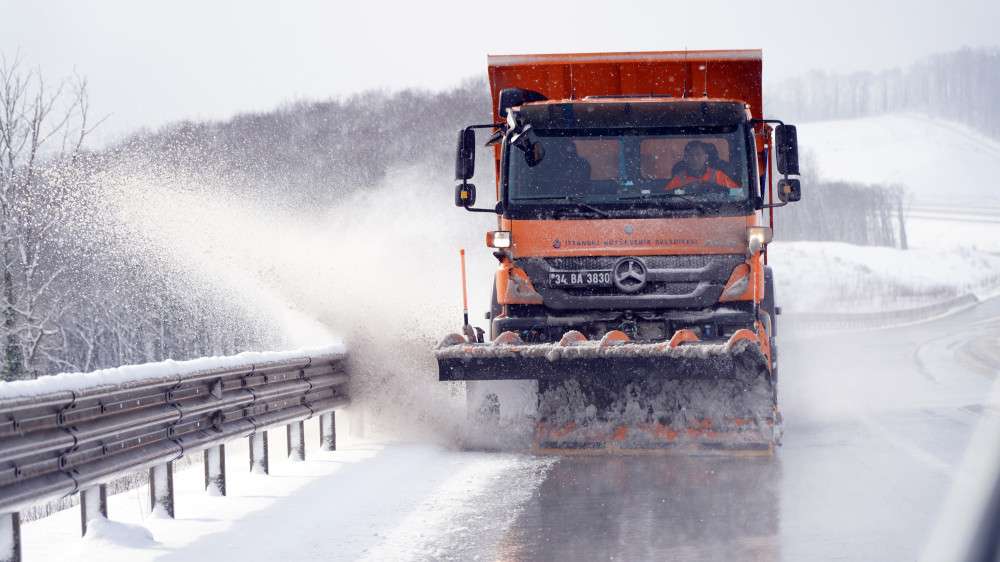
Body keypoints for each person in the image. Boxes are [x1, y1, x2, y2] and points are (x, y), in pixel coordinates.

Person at [666, 141, 738, 190]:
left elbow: (737, 193)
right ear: (686, 158)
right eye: (691, 155)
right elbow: (666, 197)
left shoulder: (717, 176)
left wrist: (716, 188)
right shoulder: (679, 178)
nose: (695, 158)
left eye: (698, 154)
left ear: (706, 157)